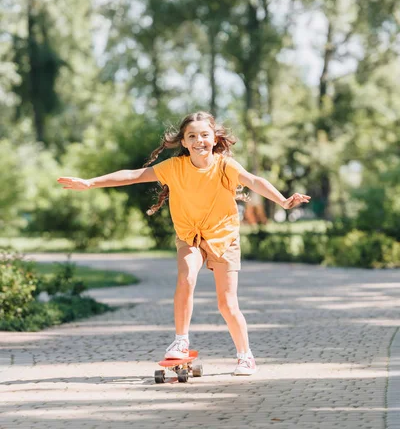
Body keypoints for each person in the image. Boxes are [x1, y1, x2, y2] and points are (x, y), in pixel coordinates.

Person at [57, 111, 311, 376]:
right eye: (192, 136)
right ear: (184, 142)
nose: (198, 140)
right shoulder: (174, 168)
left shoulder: (225, 166)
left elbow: (254, 181)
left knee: (227, 304)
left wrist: (282, 201)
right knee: (186, 277)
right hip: (190, 234)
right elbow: (133, 175)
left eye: (204, 135)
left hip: (223, 237)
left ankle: (245, 355)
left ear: (214, 139)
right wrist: (90, 183)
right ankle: (181, 340)